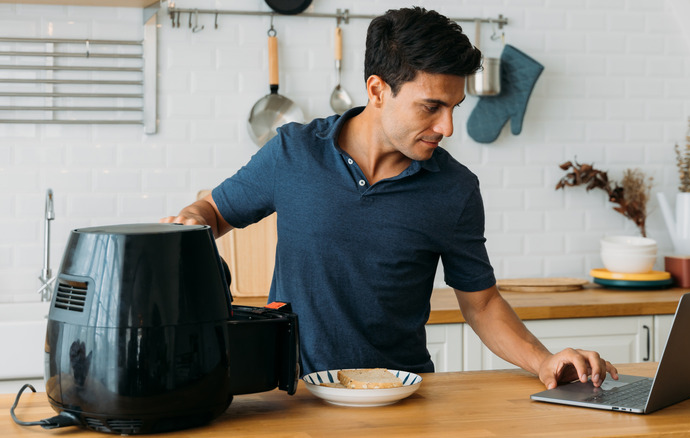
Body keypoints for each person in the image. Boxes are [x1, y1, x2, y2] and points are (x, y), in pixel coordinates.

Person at [162, 7, 618, 389]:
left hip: (398, 397)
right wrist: (190, 221)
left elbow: (481, 304)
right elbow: (216, 212)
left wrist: (542, 361)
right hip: (294, 393)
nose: (448, 128)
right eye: (431, 107)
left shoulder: (455, 189)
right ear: (378, 90)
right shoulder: (292, 152)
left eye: (454, 107)